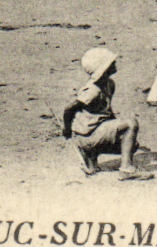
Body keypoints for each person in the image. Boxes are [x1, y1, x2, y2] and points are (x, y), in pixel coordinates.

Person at [62, 47, 150, 180]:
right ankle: (126, 169)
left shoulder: (109, 84)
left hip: (93, 132)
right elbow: (69, 108)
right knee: (131, 124)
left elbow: (106, 113)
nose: (115, 64)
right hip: (87, 136)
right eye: (112, 63)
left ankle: (91, 158)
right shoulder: (93, 90)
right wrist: (67, 130)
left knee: (132, 144)